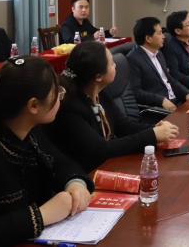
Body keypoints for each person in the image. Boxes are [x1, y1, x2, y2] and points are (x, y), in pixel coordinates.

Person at [0, 56, 94, 246]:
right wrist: (41, 216)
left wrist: (75, 183)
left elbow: (61, 163)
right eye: (56, 93)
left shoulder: (29, 130)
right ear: (33, 105)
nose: (60, 97)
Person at [48, 42, 180, 172]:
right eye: (111, 63)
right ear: (98, 77)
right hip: (85, 173)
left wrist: (155, 128)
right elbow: (100, 149)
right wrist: (152, 135)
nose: (115, 65)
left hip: (106, 164)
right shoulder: (70, 107)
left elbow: (124, 127)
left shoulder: (100, 93)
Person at [126, 17, 189, 111]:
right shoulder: (133, 59)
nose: (163, 36)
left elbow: (170, 80)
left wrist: (187, 94)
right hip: (160, 108)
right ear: (148, 38)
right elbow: (136, 92)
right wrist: (161, 100)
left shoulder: (158, 53)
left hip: (176, 101)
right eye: (159, 33)